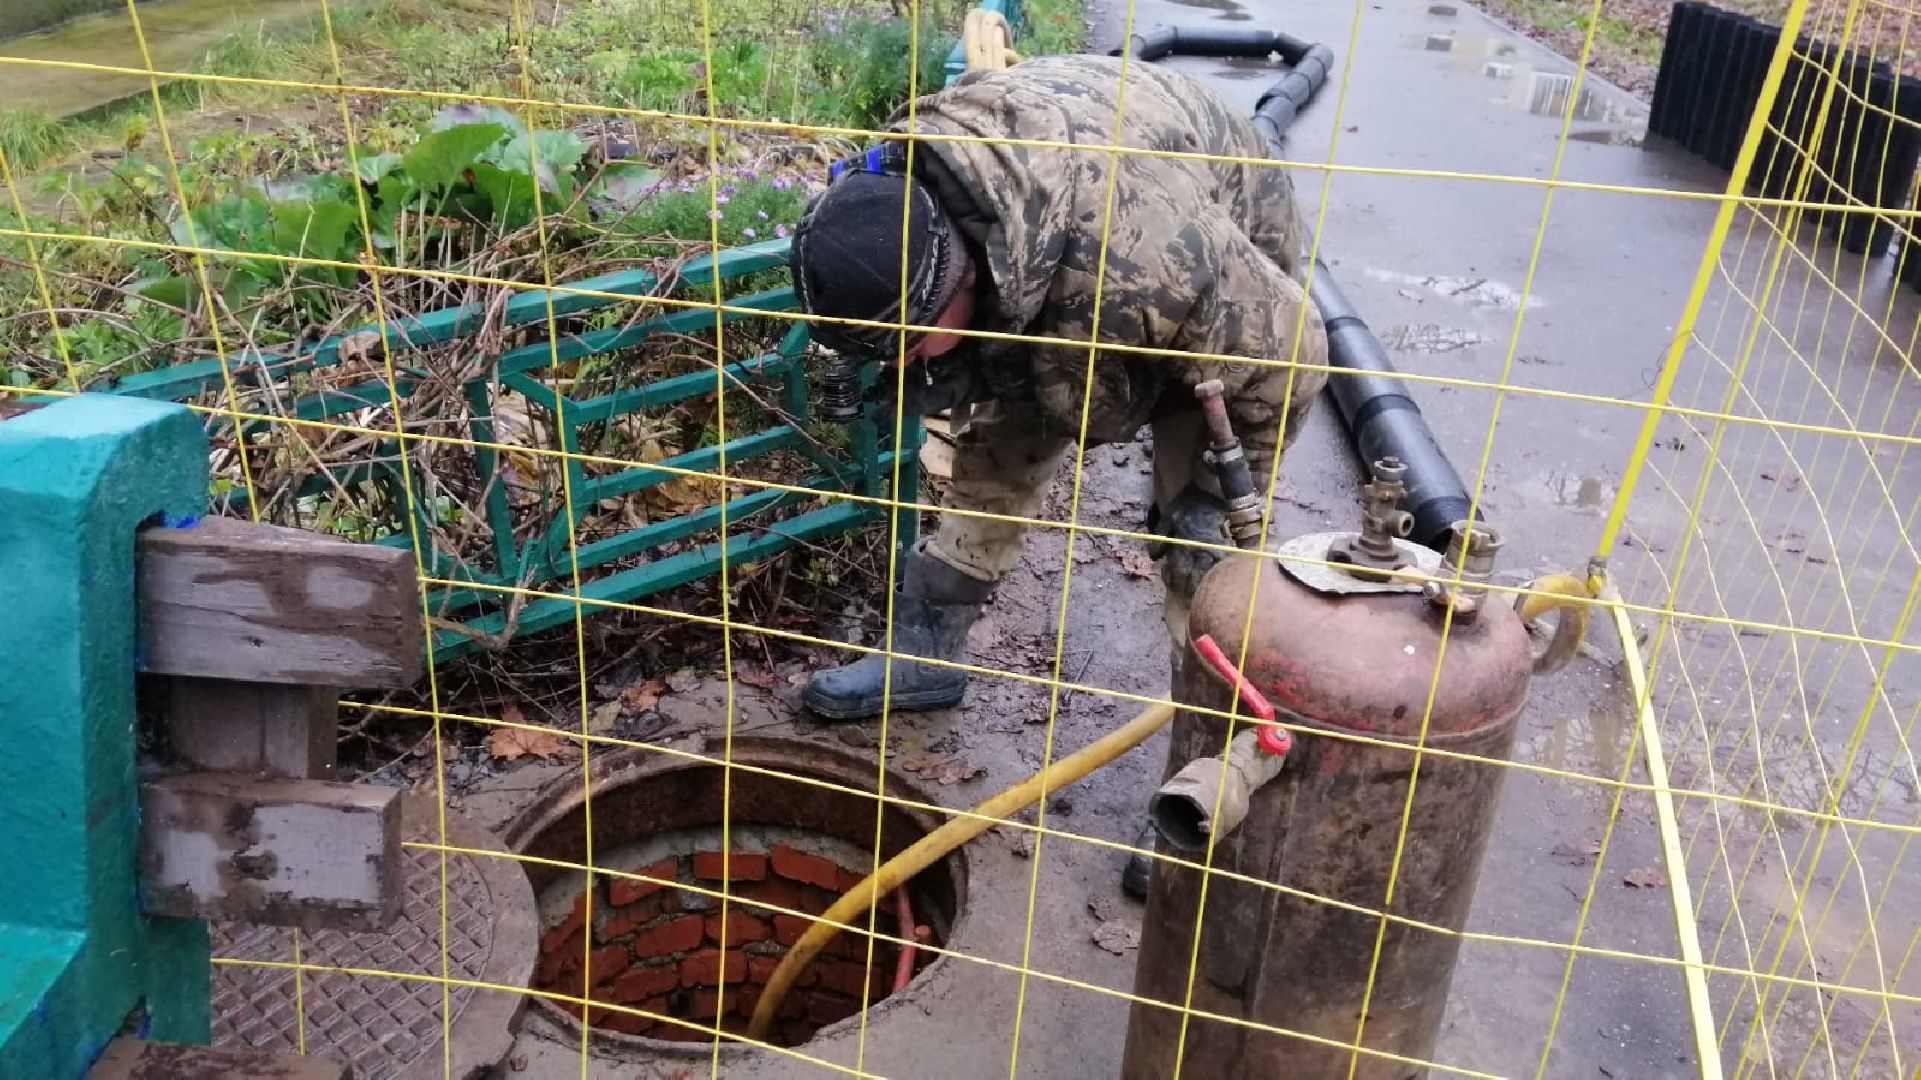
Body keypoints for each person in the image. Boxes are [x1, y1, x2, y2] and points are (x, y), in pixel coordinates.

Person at [787, 53, 1329, 897]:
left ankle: (1205, 789)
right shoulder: (894, 201)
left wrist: (1209, 500)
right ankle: (928, 655)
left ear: (959, 286)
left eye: (907, 338)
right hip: (1057, 240)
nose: (898, 363)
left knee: (1203, 558)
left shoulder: (1148, 263)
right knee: (999, 430)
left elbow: (1291, 357)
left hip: (1216, 263)